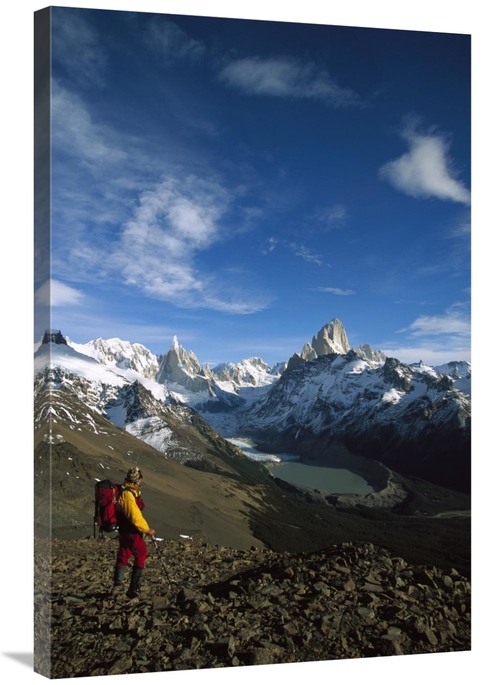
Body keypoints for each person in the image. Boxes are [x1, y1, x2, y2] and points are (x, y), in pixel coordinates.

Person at [112, 466, 156, 598]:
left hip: (123, 530)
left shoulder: (125, 491)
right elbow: (135, 516)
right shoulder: (128, 495)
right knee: (141, 553)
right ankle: (133, 587)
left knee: (124, 554)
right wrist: (147, 529)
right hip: (131, 530)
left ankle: (117, 585)